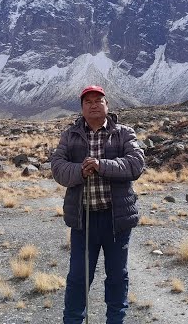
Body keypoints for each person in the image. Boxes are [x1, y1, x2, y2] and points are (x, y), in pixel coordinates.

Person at [51, 85, 145, 324]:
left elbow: (136, 164)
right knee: (78, 278)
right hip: (84, 221)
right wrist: (80, 170)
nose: (93, 104)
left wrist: (101, 165)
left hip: (116, 220)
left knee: (116, 276)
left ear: (107, 105)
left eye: (98, 100)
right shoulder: (70, 136)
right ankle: (72, 321)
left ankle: (116, 321)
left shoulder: (124, 133)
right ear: (82, 108)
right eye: (88, 101)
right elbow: (58, 169)